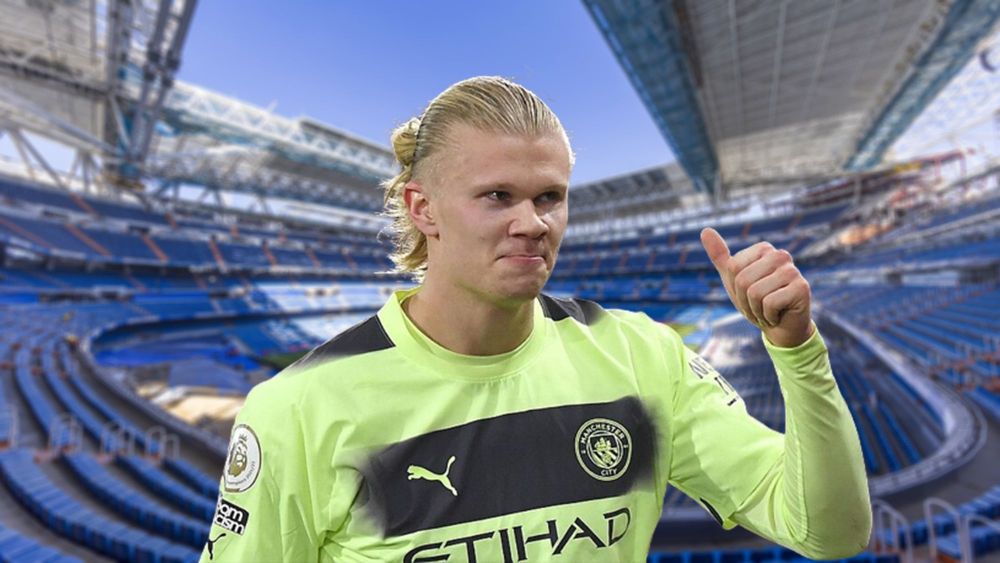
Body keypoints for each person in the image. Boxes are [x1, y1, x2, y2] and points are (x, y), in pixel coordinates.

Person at [200, 76, 871, 562]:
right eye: (498, 196)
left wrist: (796, 348)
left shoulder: (641, 357)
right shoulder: (301, 407)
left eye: (550, 196)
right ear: (423, 208)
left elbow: (828, 531)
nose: (533, 223)